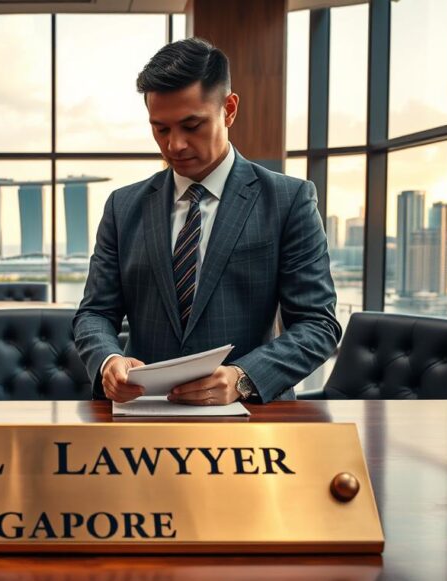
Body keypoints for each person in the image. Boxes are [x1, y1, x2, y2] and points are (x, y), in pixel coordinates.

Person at [72, 37, 341, 405]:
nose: (175, 145)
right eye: (161, 129)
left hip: (251, 419)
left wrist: (243, 378)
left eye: (191, 125)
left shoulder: (288, 200)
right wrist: (108, 359)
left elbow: (318, 326)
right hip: (141, 415)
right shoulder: (123, 206)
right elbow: (94, 313)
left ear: (229, 109)